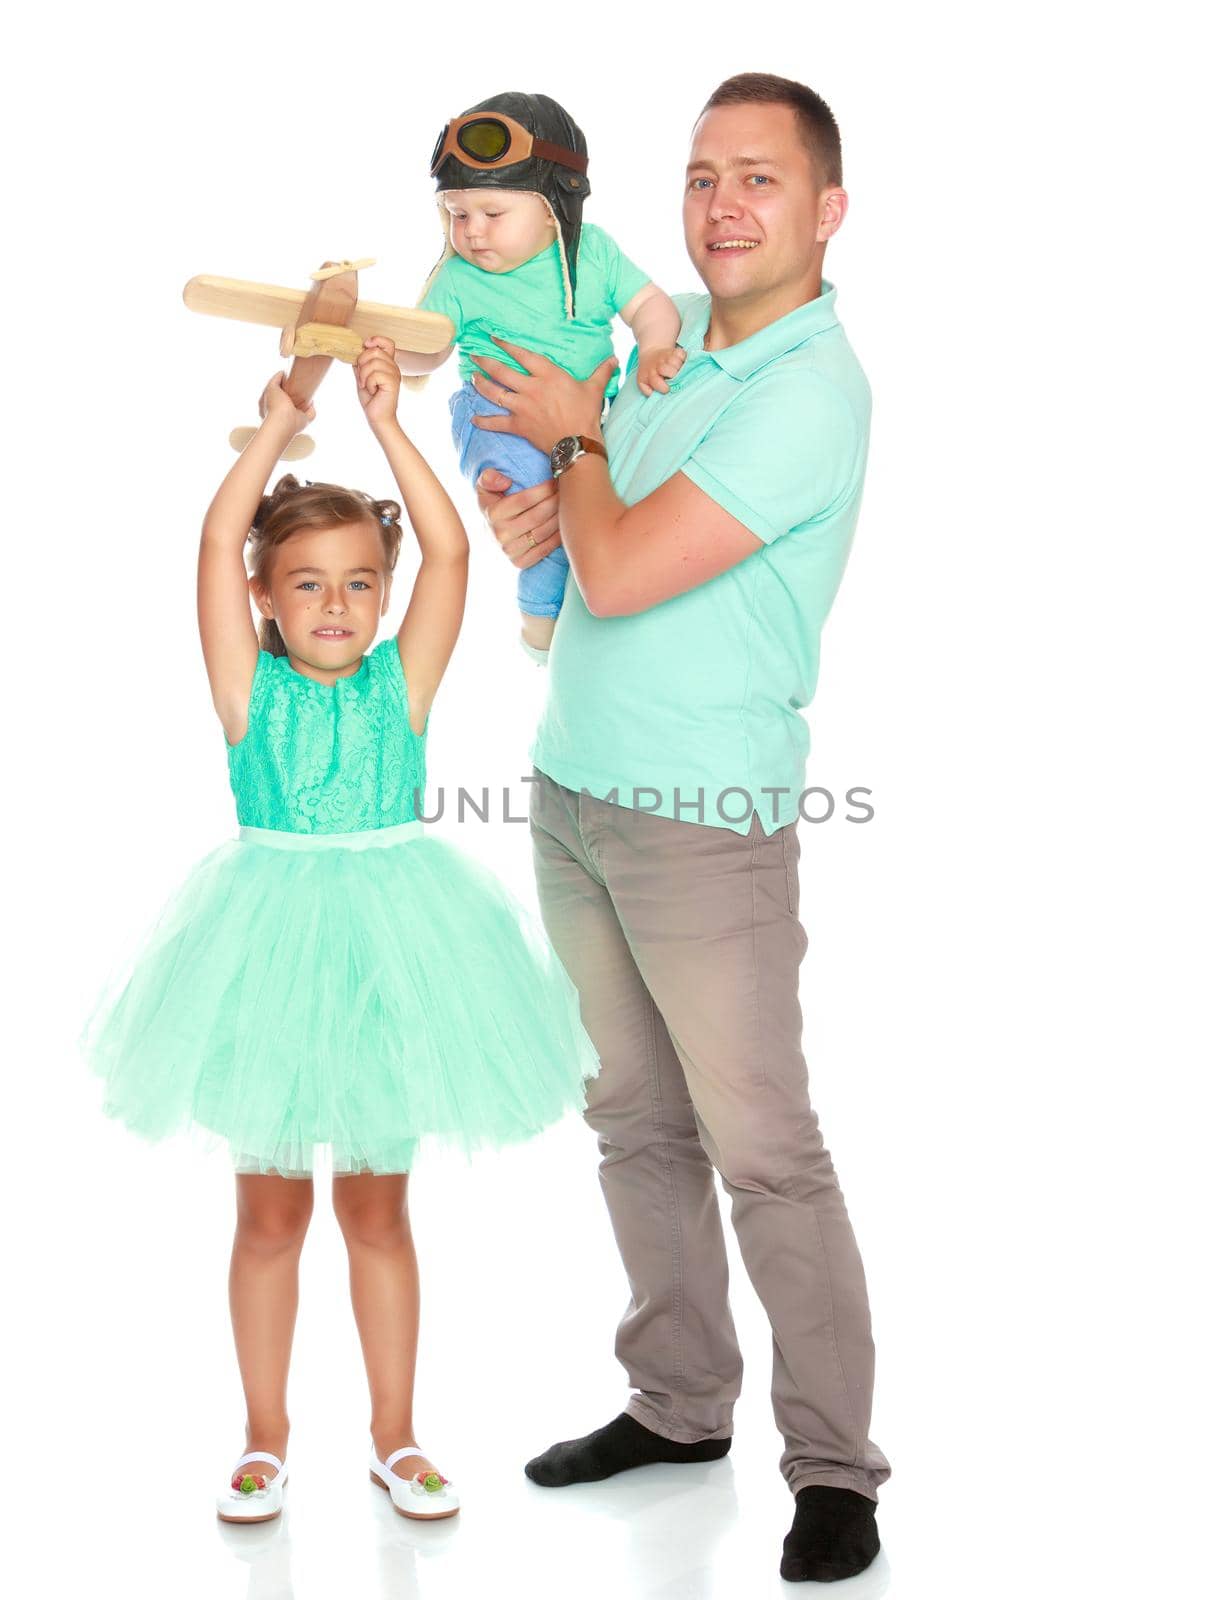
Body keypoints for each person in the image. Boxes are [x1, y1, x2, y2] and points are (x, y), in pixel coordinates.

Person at [468, 73, 891, 1584]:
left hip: (705, 827)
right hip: (576, 789)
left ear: (826, 209)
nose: (723, 203)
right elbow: (591, 548)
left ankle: (837, 1472)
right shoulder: (671, 362)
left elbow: (636, 568)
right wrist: (549, 506)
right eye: (705, 175)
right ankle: (677, 1405)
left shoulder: (807, 393)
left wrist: (580, 452)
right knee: (634, 1126)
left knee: (764, 1148)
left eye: (761, 180)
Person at [77, 337, 598, 1525]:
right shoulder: (244, 689)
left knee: (377, 1208)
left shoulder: (397, 687)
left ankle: (395, 1435)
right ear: (265, 596)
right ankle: (263, 1438)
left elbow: (452, 551)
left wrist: (387, 422)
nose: (337, 604)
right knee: (271, 1214)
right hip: (264, 951)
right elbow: (215, 541)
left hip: (391, 952)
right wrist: (281, 419)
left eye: (361, 581)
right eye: (306, 581)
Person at [396, 90, 685, 655]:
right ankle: (541, 621)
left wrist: (653, 349)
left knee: (606, 499)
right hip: (495, 415)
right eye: (458, 215)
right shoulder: (457, 278)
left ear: (554, 205)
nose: (473, 232)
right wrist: (393, 351)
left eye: (493, 213)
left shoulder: (592, 253)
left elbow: (652, 306)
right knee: (547, 508)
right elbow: (427, 350)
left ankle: (587, 604)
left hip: (586, 421)